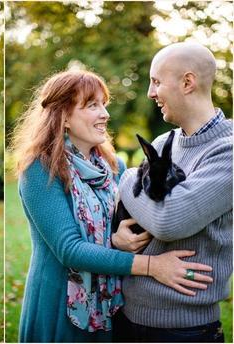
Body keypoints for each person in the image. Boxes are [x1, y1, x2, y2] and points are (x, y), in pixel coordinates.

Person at [10, 70, 215, 343]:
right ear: (64, 116)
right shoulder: (40, 169)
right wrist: (152, 265)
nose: (105, 114)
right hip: (60, 308)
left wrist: (119, 240)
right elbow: (70, 250)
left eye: (104, 104)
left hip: (111, 306)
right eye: (93, 105)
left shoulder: (114, 166)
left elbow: (130, 219)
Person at [113, 42, 232, 342]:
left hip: (183, 330)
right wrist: (118, 239)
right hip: (127, 317)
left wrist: (128, 176)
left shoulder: (227, 151)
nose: (150, 93)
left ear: (187, 82)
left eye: (156, 82)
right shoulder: (165, 140)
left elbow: (169, 220)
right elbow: (132, 211)